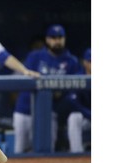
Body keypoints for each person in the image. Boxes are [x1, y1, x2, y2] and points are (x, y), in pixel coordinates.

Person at [13, 24, 82, 154]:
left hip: (49, 112)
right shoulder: (35, 56)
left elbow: (76, 90)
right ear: (47, 39)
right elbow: (25, 81)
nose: (57, 41)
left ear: (65, 39)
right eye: (53, 37)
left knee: (46, 151)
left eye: (60, 37)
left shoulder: (72, 61)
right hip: (25, 109)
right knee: (19, 151)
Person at [67, 48, 91, 153]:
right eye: (91, 61)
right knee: (74, 117)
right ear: (85, 62)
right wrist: (89, 114)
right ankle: (77, 154)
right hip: (86, 116)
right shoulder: (78, 77)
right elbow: (72, 101)